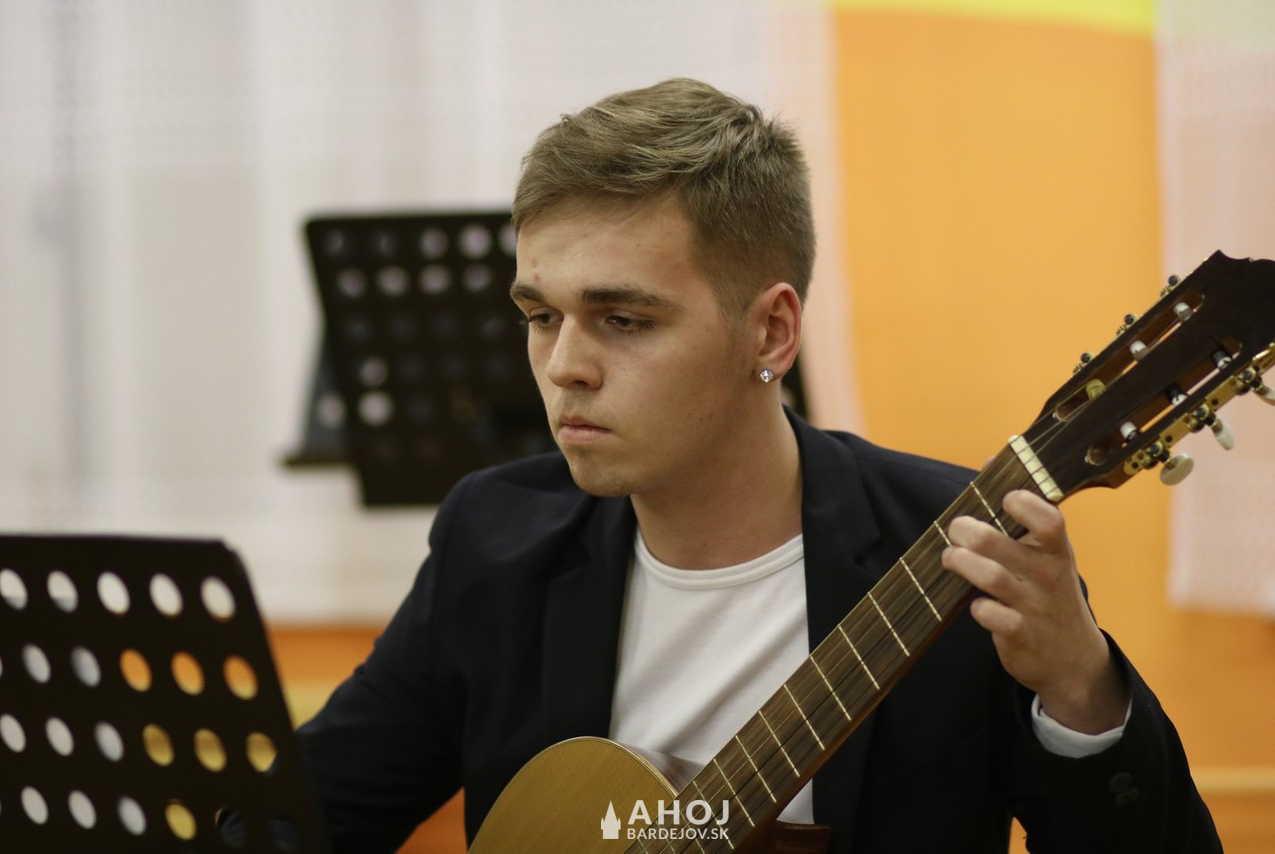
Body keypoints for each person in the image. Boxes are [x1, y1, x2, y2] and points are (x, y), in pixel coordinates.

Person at [295, 78, 1220, 852]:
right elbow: (308, 818)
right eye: (541, 316)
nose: (565, 365)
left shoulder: (956, 557)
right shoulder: (494, 541)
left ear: (771, 331)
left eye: (624, 319)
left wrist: (1080, 689)